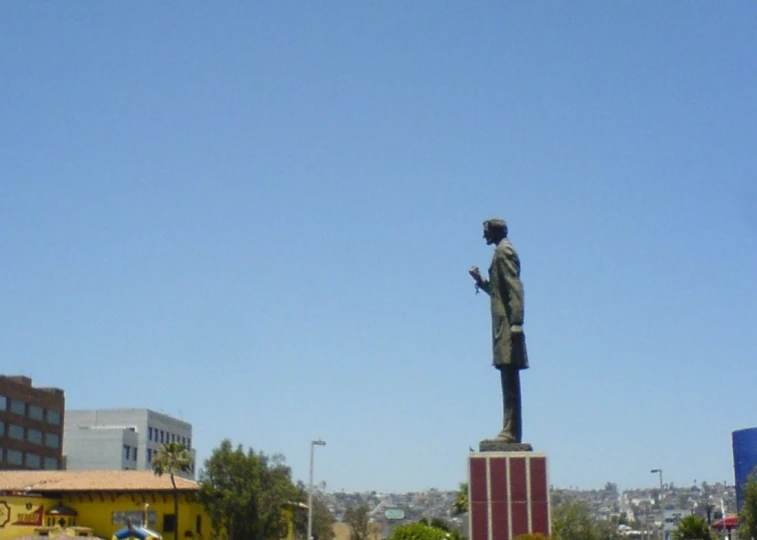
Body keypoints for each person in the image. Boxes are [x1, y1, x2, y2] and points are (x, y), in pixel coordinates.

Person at [469, 218, 529, 443]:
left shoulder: (505, 251)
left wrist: (516, 322)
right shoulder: (499, 252)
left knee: (510, 378)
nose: (483, 235)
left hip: (508, 328)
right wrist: (480, 281)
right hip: (503, 327)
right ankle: (510, 429)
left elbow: (515, 287)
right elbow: (498, 292)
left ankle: (511, 431)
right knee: (507, 376)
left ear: (494, 231)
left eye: (485, 231)